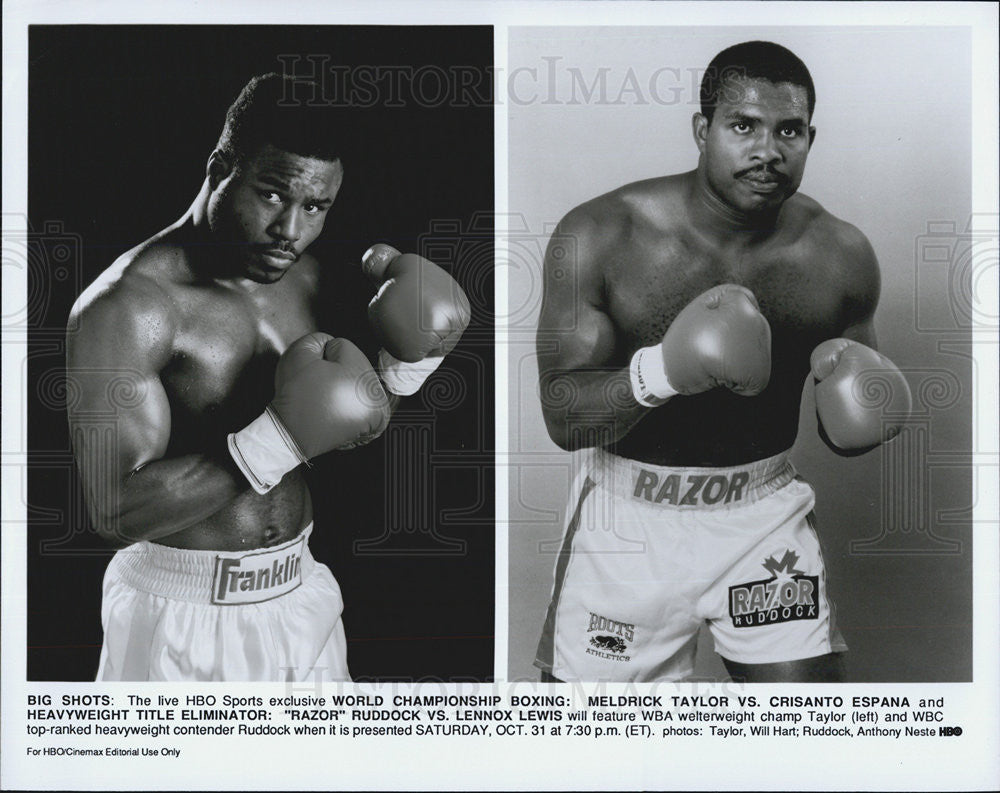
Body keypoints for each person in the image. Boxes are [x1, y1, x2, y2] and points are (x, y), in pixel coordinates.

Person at [65, 73, 470, 682]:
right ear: (220, 166)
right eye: (274, 196)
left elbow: (339, 420)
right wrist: (279, 439)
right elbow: (114, 511)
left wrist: (407, 369)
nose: (290, 231)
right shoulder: (130, 307)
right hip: (182, 613)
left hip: (301, 592)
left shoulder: (300, 277)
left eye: (315, 207)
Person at [533, 41, 911, 683]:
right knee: (595, 758)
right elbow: (565, 420)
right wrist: (666, 371)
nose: (768, 150)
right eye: (744, 126)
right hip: (627, 526)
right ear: (702, 131)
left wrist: (863, 406)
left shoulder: (841, 257)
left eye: (788, 130)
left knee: (808, 741)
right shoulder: (600, 235)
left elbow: (843, 433)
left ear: (810, 137)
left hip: (761, 520)